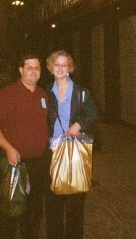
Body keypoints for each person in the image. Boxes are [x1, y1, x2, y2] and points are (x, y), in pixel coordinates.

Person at [0, 53, 49, 239]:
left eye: (37, 68)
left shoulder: (43, 95)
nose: (34, 71)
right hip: (12, 163)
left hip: (37, 163)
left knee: (34, 210)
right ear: (20, 70)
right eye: (29, 67)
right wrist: (8, 148)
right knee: (8, 210)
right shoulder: (6, 95)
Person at [45, 49, 99, 239]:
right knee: (53, 202)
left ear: (70, 68)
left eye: (64, 64)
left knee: (76, 202)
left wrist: (79, 123)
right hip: (53, 152)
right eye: (56, 64)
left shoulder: (81, 92)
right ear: (51, 68)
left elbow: (93, 113)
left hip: (75, 152)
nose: (60, 68)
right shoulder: (45, 94)